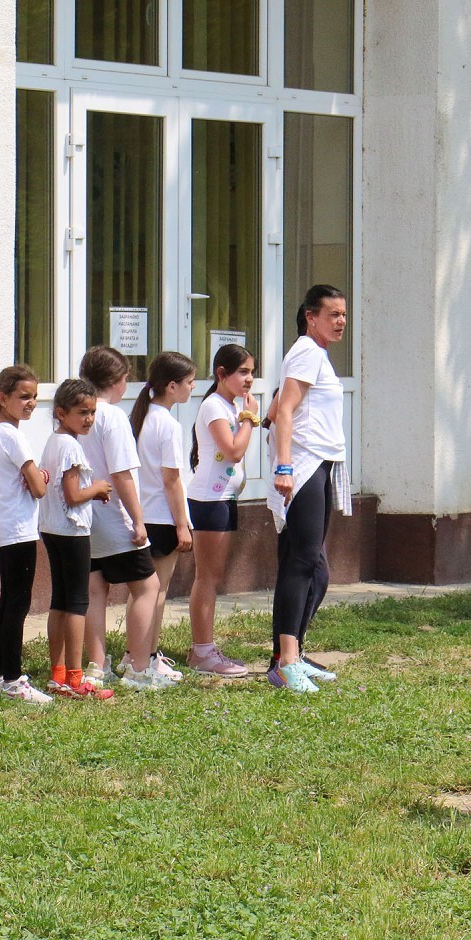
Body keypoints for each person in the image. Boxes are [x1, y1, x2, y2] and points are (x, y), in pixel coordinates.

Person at [268, 285, 351, 693]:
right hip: (303, 468)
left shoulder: (315, 355)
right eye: (332, 314)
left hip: (319, 466)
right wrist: (284, 465)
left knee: (315, 568)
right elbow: (285, 410)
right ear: (310, 317)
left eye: (343, 314)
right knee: (302, 563)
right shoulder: (306, 352)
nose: (340, 321)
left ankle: (291, 654)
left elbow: (275, 408)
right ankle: (286, 662)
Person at [78, 346, 165, 691]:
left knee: (94, 589)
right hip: (114, 515)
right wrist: (138, 520)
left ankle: (96, 665)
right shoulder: (112, 416)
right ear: (117, 380)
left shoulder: (77, 412)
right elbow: (122, 473)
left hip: (83, 517)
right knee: (147, 586)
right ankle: (139, 668)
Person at [0, 365, 53, 703]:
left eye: (34, 396)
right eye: (23, 396)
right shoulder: (12, 435)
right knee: (17, 603)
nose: (31, 402)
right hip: (19, 530)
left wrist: (36, 476)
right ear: (2, 398)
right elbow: (39, 489)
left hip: (6, 527)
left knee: (8, 600)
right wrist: (42, 476)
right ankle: (12, 679)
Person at [39, 379, 114, 700]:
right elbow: (72, 495)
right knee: (77, 604)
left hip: (52, 528)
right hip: (72, 531)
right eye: (82, 412)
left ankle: (58, 675)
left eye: (92, 412)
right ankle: (74, 678)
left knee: (60, 600)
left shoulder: (54, 441)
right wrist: (96, 488)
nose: (89, 419)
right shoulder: (70, 446)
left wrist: (90, 491)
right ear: (61, 412)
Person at [185, 343, 257, 677]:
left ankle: (206, 648)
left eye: (252, 372)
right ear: (222, 374)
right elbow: (233, 451)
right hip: (209, 501)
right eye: (243, 372)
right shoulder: (215, 406)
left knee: (214, 576)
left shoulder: (230, 406)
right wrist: (249, 419)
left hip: (224, 499)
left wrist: (244, 416)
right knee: (207, 577)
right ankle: (202, 652)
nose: (249, 379)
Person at [130, 351, 197, 687]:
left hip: (144, 514)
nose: (192, 387)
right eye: (189, 382)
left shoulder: (141, 418)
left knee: (142, 592)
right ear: (172, 386)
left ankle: (135, 654)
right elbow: (172, 480)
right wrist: (182, 524)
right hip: (163, 517)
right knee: (157, 592)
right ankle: (148, 655)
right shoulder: (168, 425)